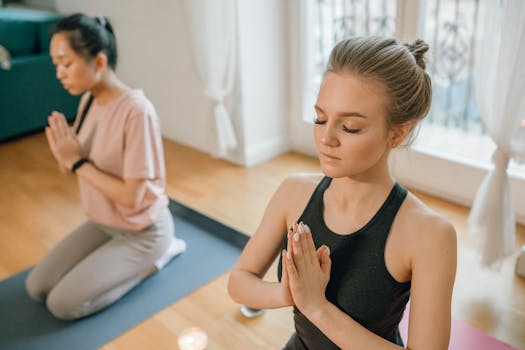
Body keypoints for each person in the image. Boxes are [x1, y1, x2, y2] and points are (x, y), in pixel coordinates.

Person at [228, 36, 457, 349]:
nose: (326, 138)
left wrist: (316, 307)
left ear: (397, 132)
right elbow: (239, 280)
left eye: (349, 127)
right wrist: (288, 293)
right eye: (320, 118)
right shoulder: (293, 192)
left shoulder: (429, 234)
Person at [25, 13, 186, 320]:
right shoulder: (88, 100)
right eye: (55, 64)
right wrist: (65, 153)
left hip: (143, 230)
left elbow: (132, 197)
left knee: (63, 305)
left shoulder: (137, 113)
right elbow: (75, 169)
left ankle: (158, 259)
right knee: (37, 286)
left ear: (98, 62)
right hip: (102, 222)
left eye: (66, 63)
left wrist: (76, 160)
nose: (59, 73)